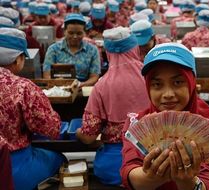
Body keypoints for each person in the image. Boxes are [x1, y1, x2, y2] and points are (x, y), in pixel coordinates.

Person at [121, 43, 209, 190]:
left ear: (191, 82)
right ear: (148, 87)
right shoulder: (136, 123)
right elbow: (129, 171)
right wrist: (152, 177)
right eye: (157, 84)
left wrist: (187, 182)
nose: (168, 94)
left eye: (178, 82)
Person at [76, 26, 149, 185]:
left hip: (115, 165)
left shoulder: (102, 85)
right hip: (152, 161)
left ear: (108, 53)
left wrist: (77, 132)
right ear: (134, 48)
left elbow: (88, 137)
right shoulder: (152, 77)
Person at [0, 28, 65, 190]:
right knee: (60, 159)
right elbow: (51, 128)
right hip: (15, 166)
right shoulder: (23, 87)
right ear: (18, 59)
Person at [43, 13, 101, 87]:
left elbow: (94, 76)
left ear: (85, 33)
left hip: (82, 90)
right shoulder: (53, 49)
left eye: (79, 33)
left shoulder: (92, 50)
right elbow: (47, 75)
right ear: (64, 31)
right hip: (59, 90)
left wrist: (81, 85)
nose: (75, 36)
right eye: (70, 33)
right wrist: (57, 83)